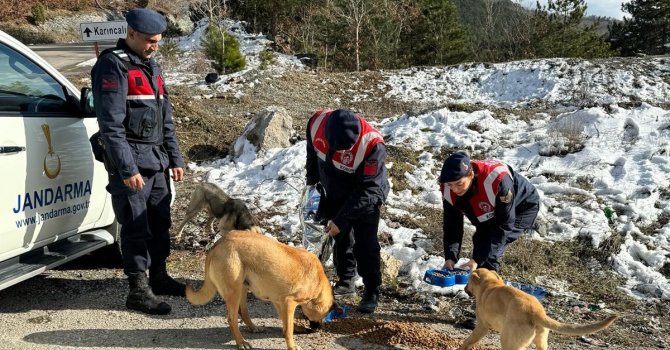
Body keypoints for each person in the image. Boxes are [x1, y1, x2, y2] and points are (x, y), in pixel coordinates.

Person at [91, 8, 185, 315]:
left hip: (157, 162)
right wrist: (127, 168)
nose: (154, 46)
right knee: (136, 227)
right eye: (149, 41)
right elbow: (111, 126)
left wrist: (175, 157)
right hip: (133, 164)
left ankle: (159, 277)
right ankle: (138, 289)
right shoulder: (112, 66)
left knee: (160, 222)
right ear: (131, 34)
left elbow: (164, 119)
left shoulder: (150, 66)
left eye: (157, 41)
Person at [305, 108, 389, 314]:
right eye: (338, 149)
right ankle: (346, 279)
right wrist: (311, 183)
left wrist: (342, 219)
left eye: (346, 150)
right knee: (340, 236)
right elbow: (312, 153)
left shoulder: (372, 145)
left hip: (365, 193)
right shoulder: (316, 123)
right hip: (334, 188)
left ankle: (371, 290)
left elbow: (368, 190)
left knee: (365, 243)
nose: (343, 153)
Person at [440, 152, 540, 273]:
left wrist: (478, 259)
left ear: (471, 174)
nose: (454, 189)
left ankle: (492, 288)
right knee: (480, 242)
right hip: (487, 207)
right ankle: (481, 285)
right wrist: (450, 257)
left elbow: (504, 225)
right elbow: (452, 225)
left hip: (522, 206)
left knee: (489, 255)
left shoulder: (497, 180)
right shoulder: (448, 189)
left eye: (459, 184)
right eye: (450, 185)